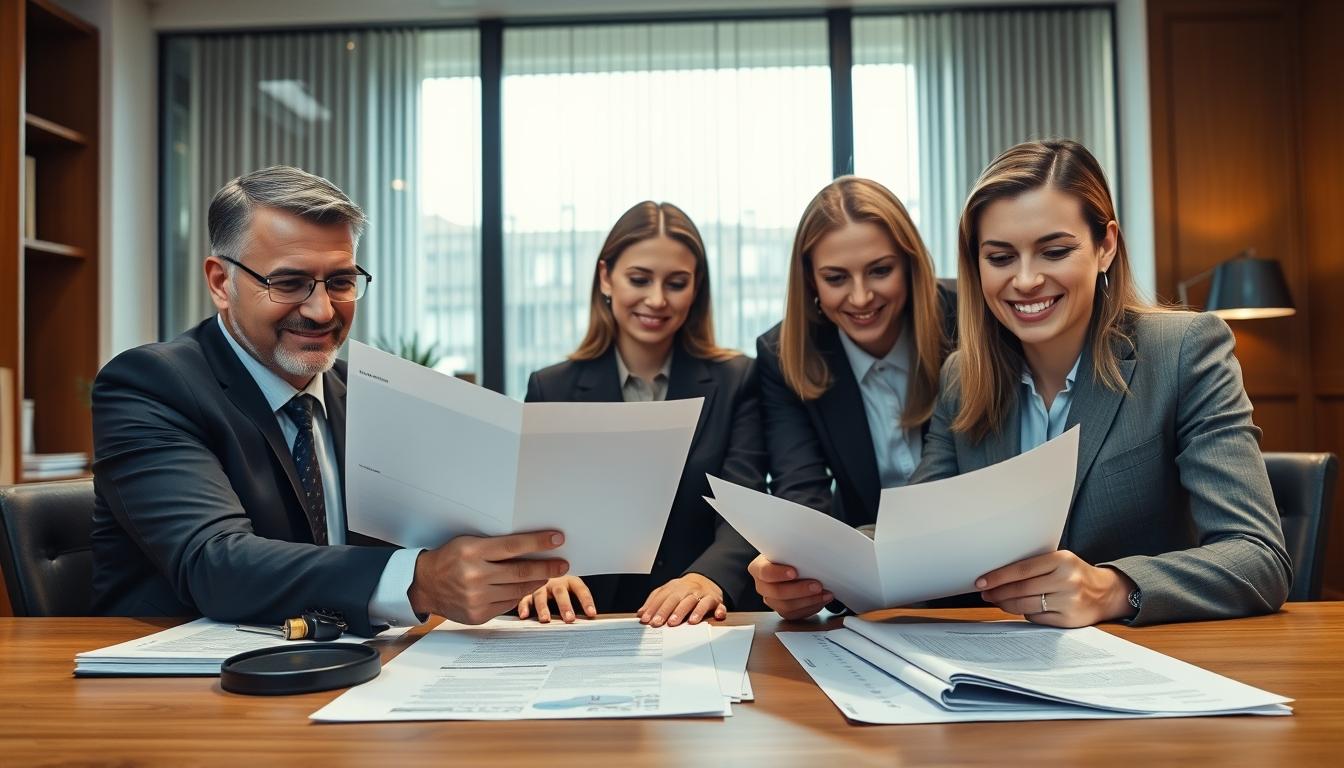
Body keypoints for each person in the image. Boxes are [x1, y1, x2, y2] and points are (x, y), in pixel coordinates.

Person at [91, 166, 568, 636]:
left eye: (340, 282)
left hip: (354, 667)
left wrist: (515, 570)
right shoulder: (151, 384)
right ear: (221, 282)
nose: (321, 311)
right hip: (182, 689)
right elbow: (214, 562)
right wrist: (420, 583)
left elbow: (440, 530)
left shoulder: (373, 392)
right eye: (288, 283)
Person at [912, 139, 1290, 626]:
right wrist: (819, 573)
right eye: (1000, 258)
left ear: (1105, 246)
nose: (1025, 280)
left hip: (1154, 667)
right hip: (998, 668)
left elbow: (1258, 557)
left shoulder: (1184, 350)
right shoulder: (963, 378)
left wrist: (1112, 589)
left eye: (1054, 250)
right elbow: (917, 542)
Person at [518, 201, 767, 628]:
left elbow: (744, 504)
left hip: (707, 617)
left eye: (676, 283)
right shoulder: (551, 388)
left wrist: (706, 578)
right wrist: (541, 574)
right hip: (585, 620)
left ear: (696, 288)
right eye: (639, 279)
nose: (657, 299)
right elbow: (532, 515)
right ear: (605, 278)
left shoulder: (738, 379)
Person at [748, 177, 955, 620]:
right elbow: (802, 494)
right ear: (811, 281)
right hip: (870, 601)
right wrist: (794, 572)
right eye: (836, 278)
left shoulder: (969, 320)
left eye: (880, 270)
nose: (861, 297)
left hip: (980, 585)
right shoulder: (784, 354)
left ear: (911, 264)